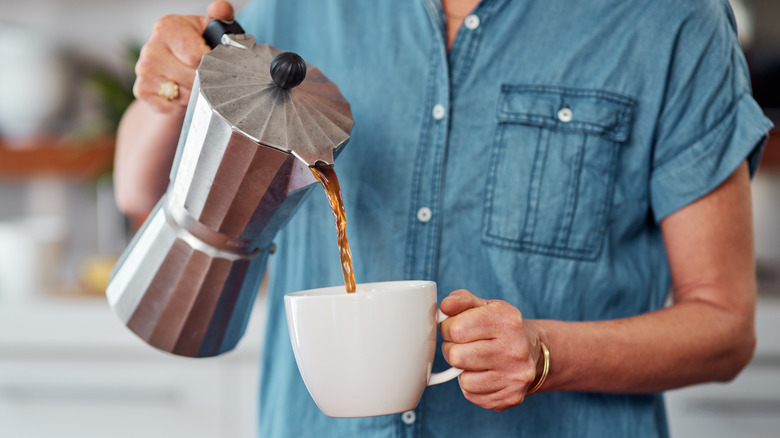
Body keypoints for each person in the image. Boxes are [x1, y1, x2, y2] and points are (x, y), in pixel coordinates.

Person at [114, 0, 774, 436]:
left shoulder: (671, 23)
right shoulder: (292, 4)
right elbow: (138, 189)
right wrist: (165, 93)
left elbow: (724, 326)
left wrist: (546, 354)